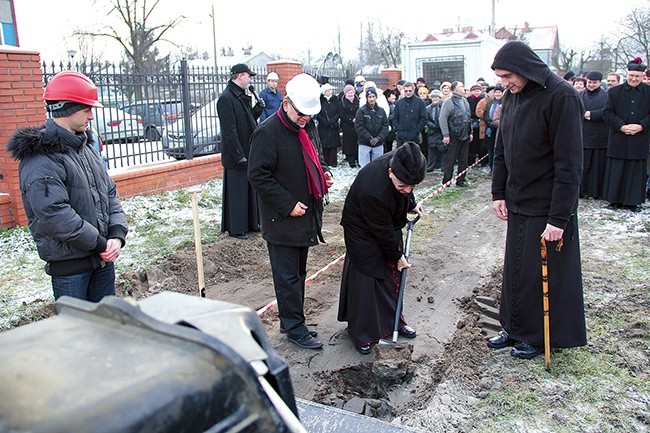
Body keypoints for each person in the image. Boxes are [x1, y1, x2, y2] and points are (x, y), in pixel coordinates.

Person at [489, 40, 586, 359]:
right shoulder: (511, 95)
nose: (503, 83)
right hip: (517, 201)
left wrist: (559, 218)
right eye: (501, 78)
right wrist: (498, 192)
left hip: (547, 206)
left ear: (524, 69)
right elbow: (501, 149)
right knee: (516, 269)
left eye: (507, 76)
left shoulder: (562, 96)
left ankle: (538, 335)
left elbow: (569, 164)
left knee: (540, 273)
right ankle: (513, 326)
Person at [7, 71, 128, 302]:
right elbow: (54, 215)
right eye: (86, 109)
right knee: (77, 334)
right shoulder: (41, 158)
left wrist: (116, 234)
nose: (91, 116)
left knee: (106, 329)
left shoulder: (86, 149)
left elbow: (110, 194)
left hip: (103, 261)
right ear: (67, 108)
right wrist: (100, 243)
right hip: (72, 270)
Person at [248, 73, 335, 350]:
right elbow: (258, 176)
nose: (305, 118)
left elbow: (316, 157)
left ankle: (290, 320)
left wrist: (325, 173)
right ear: (286, 103)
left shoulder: (307, 127)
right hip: (283, 217)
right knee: (286, 276)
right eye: (300, 113)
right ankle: (296, 328)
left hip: (306, 213)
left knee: (297, 273)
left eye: (309, 114)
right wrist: (287, 204)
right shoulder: (267, 132)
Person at [337, 142, 425, 354]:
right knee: (369, 277)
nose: (408, 190)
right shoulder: (373, 190)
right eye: (403, 186)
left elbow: (404, 188)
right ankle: (362, 333)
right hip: (362, 231)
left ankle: (395, 321)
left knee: (391, 276)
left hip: (385, 223)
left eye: (412, 186)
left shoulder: (403, 161)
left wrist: (410, 202)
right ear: (390, 172)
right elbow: (383, 231)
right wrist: (397, 255)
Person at [217, 63, 264, 240]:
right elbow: (229, 131)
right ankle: (237, 228)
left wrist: (257, 109)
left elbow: (246, 120)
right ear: (239, 76)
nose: (250, 79)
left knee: (249, 191)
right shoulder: (226, 99)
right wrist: (239, 155)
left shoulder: (240, 96)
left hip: (247, 150)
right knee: (238, 193)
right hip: (236, 156)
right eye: (248, 75)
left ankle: (251, 223)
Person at [602, 57, 650, 212]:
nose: (634, 79)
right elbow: (607, 113)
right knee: (617, 169)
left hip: (640, 137)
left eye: (637, 76)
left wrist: (642, 126)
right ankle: (614, 199)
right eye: (631, 76)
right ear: (627, 74)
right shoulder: (614, 92)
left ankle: (633, 201)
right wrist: (621, 126)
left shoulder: (648, 92)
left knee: (635, 171)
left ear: (642, 77)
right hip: (619, 137)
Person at [579, 71, 609, 199]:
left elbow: (607, 112)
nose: (591, 85)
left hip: (599, 136)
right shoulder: (580, 95)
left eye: (594, 83)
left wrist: (590, 115)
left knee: (597, 167)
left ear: (599, 82)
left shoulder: (606, 96)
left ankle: (594, 192)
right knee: (583, 166)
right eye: (589, 82)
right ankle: (581, 190)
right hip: (583, 136)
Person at [438, 81, 472, 187]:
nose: (464, 88)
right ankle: (446, 181)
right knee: (450, 160)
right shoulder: (448, 102)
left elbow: (468, 118)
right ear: (456, 89)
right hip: (453, 136)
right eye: (462, 86)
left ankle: (461, 180)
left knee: (464, 160)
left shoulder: (465, 101)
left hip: (465, 135)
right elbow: (442, 119)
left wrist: (470, 132)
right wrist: (446, 135)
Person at [354, 87, 389, 167]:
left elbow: (385, 126)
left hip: (378, 143)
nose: (372, 99)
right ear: (366, 98)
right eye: (369, 97)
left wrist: (378, 138)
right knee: (364, 167)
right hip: (364, 143)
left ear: (376, 97)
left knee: (377, 167)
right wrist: (369, 138)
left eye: (373, 96)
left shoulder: (381, 111)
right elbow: (359, 126)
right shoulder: (361, 111)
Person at [391, 82, 427, 148]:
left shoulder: (420, 102)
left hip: (414, 137)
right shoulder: (399, 103)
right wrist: (398, 129)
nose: (408, 93)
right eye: (406, 91)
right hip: (401, 136)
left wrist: (416, 131)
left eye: (410, 91)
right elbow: (395, 117)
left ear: (413, 90)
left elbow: (423, 118)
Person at [317, 83, 341, 167]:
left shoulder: (335, 99)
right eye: (327, 90)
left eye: (330, 90)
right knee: (325, 144)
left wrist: (333, 120)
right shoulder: (320, 100)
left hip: (333, 126)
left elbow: (338, 112)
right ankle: (326, 161)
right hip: (323, 126)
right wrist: (324, 121)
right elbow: (318, 113)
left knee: (333, 145)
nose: (330, 92)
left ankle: (333, 162)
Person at [481, 84, 504, 170]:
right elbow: (486, 114)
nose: (497, 94)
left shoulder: (504, 103)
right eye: (496, 92)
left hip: (500, 129)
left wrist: (497, 123)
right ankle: (491, 167)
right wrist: (490, 123)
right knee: (490, 149)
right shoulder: (490, 103)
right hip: (490, 129)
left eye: (499, 92)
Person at [339, 84, 360, 167]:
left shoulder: (358, 101)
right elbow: (342, 114)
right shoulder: (342, 103)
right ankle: (350, 159)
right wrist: (351, 119)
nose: (350, 94)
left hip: (357, 125)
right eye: (348, 92)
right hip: (347, 125)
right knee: (349, 143)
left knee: (357, 141)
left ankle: (357, 158)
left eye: (351, 92)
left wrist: (357, 119)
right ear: (345, 93)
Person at [425, 89, 444, 172]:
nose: (435, 99)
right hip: (432, 132)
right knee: (432, 150)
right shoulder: (428, 108)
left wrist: (440, 126)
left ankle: (443, 166)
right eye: (433, 97)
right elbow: (426, 119)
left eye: (437, 97)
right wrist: (432, 126)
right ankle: (430, 166)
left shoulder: (443, 107)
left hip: (442, 131)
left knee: (443, 149)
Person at [466, 83, 485, 166]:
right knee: (471, 143)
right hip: (471, 122)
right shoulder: (468, 99)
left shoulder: (483, 99)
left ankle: (482, 160)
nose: (476, 92)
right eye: (474, 90)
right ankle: (471, 160)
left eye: (478, 90)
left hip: (481, 122)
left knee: (481, 143)